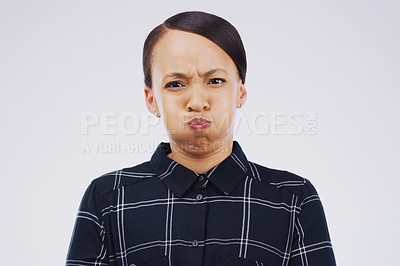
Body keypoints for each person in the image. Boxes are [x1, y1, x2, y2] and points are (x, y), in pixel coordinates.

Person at [66, 11, 336, 266]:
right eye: (175, 84)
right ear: (151, 100)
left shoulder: (293, 199)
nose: (197, 102)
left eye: (215, 81)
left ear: (240, 92)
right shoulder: (108, 199)